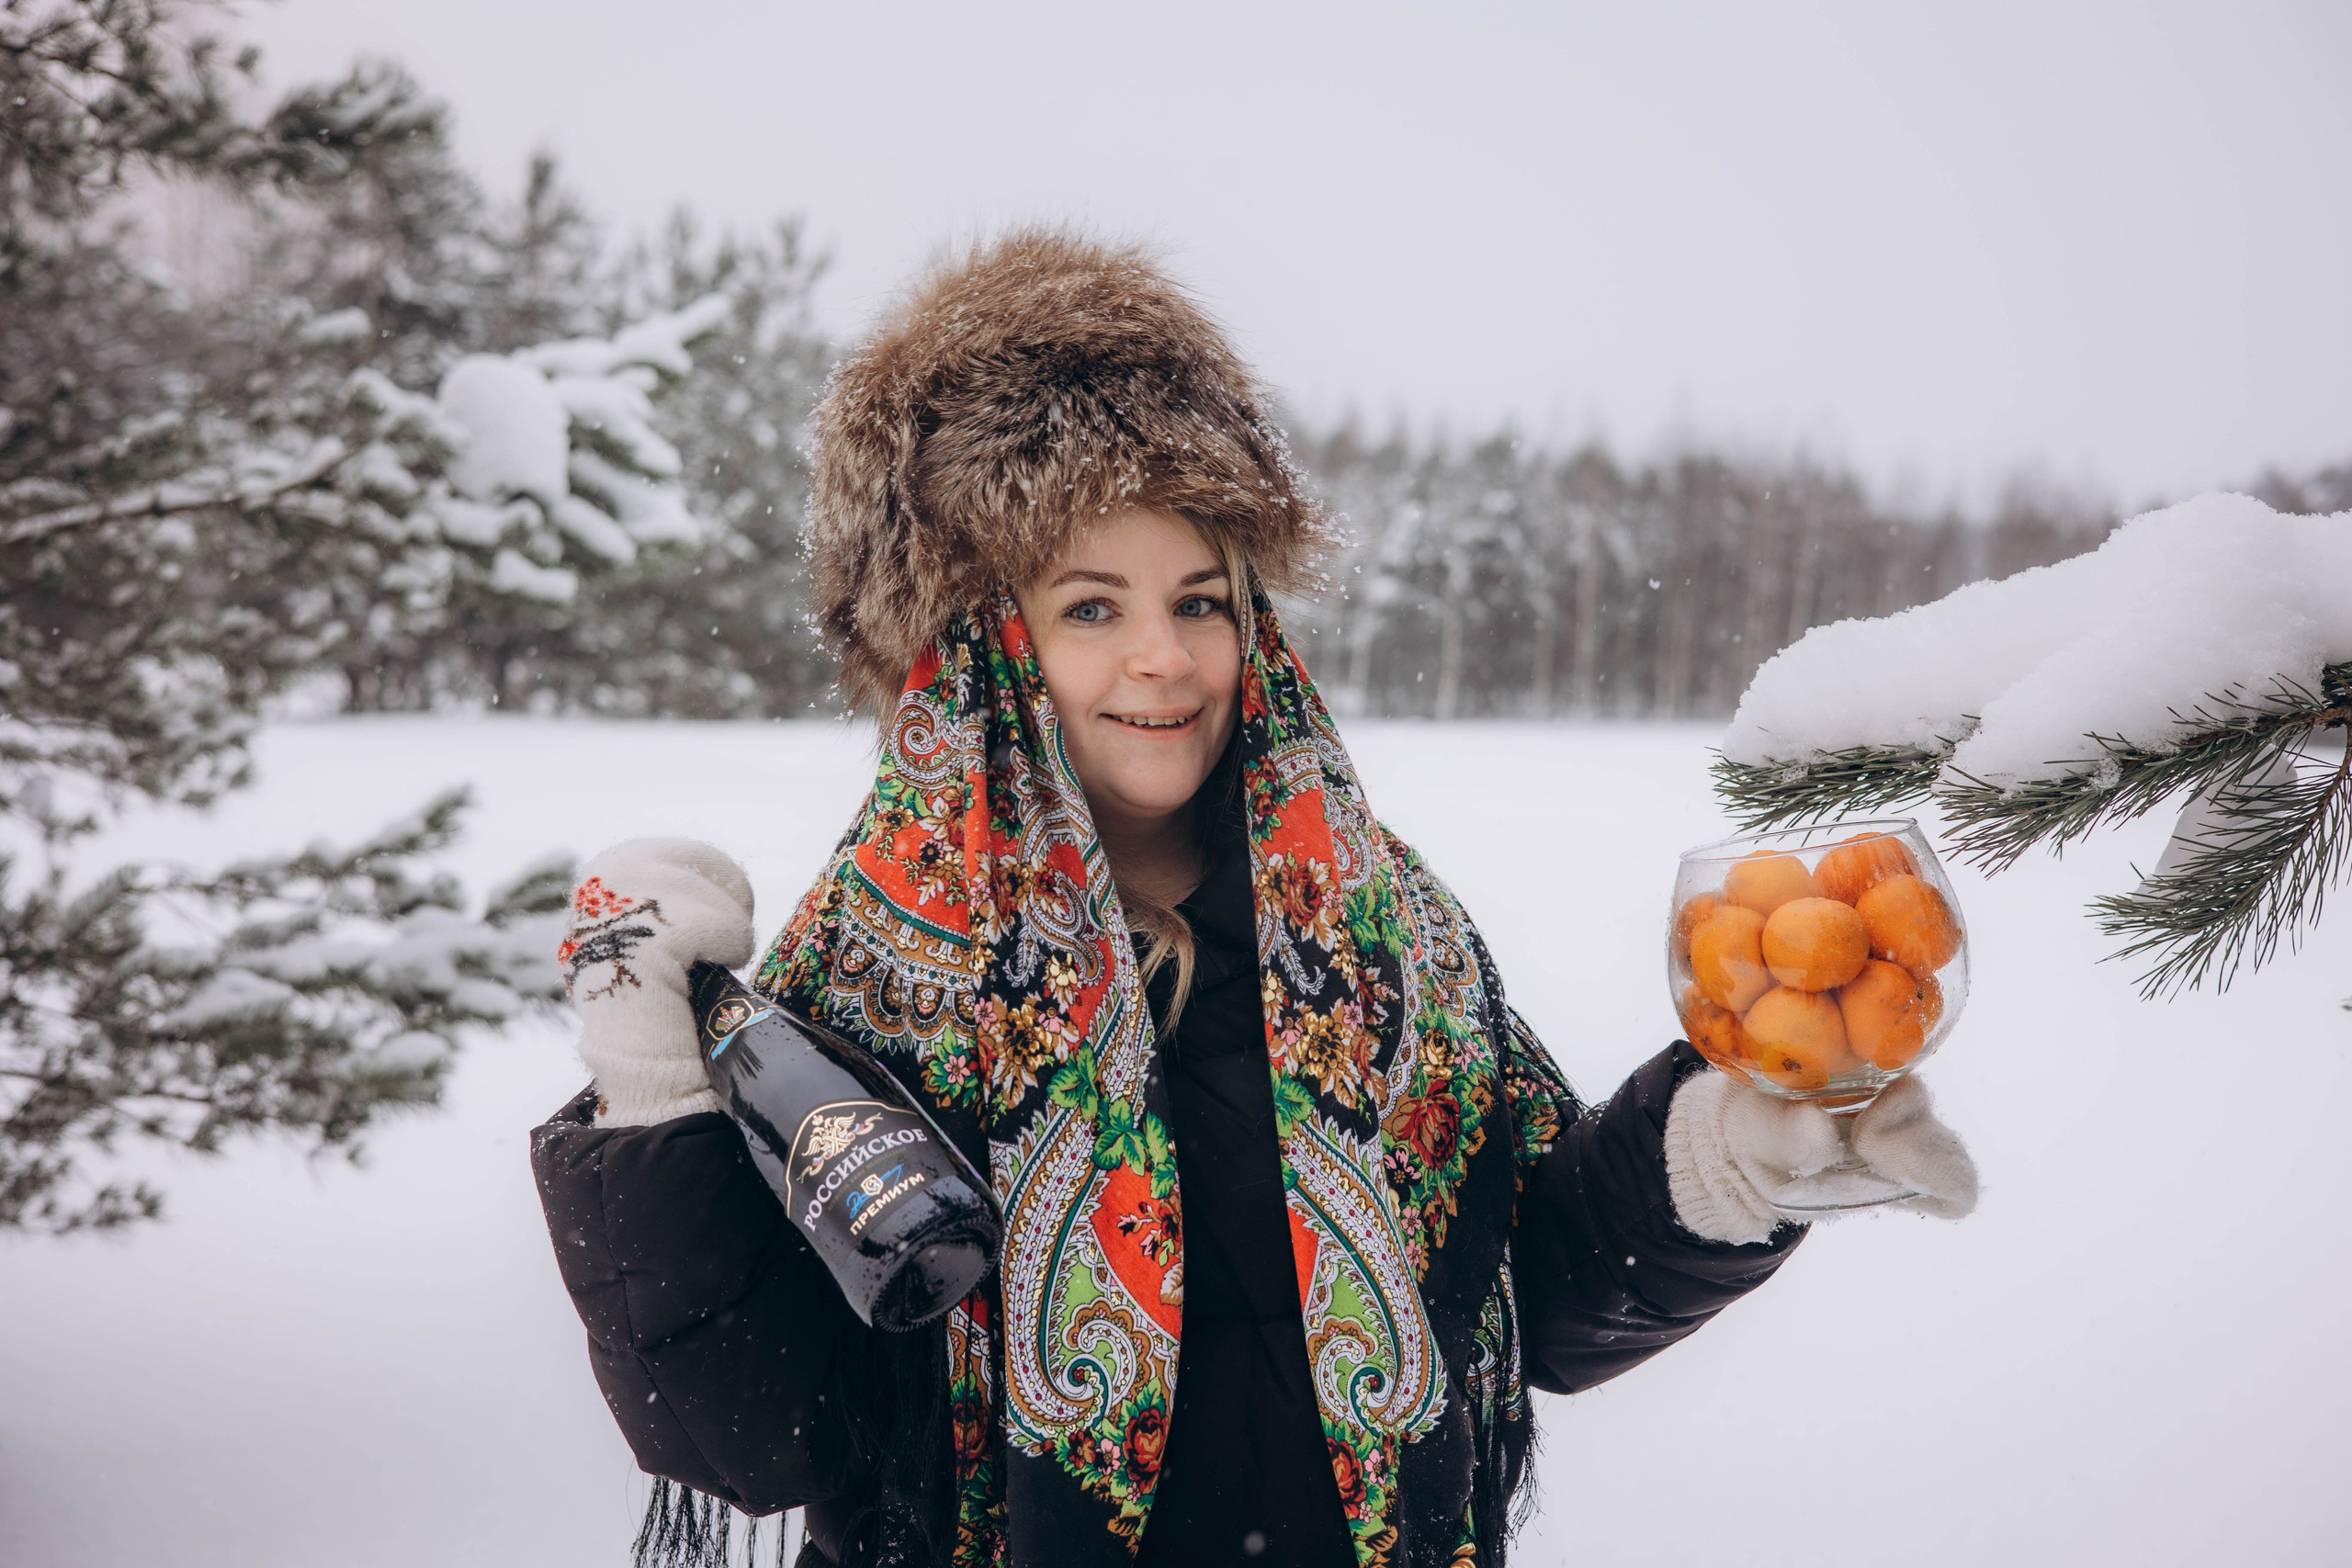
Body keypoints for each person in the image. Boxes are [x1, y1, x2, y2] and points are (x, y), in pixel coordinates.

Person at [530, 231, 1978, 1568]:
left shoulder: (1381, 928)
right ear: (978, 644)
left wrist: (1714, 1166)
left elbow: (1529, 1287)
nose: (1164, 657)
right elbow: (760, 1436)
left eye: (1201, 599)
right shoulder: (877, 964)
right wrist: (656, 1099)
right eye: (1090, 606)